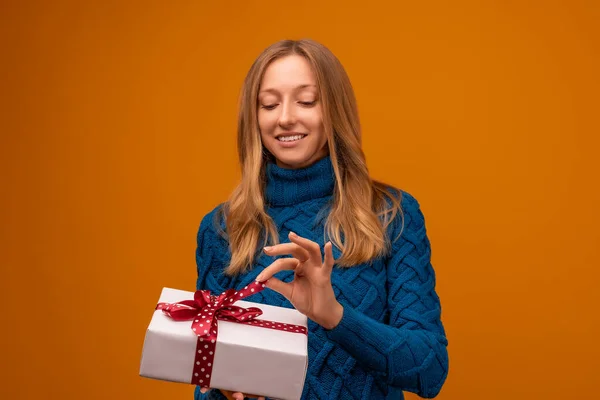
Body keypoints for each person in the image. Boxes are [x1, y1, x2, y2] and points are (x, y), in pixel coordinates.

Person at [194, 39, 448, 400]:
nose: (285, 117)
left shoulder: (392, 214)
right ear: (254, 116)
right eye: (269, 104)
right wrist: (224, 389)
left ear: (334, 110)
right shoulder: (221, 229)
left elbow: (429, 370)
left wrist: (334, 316)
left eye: (306, 101)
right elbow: (204, 380)